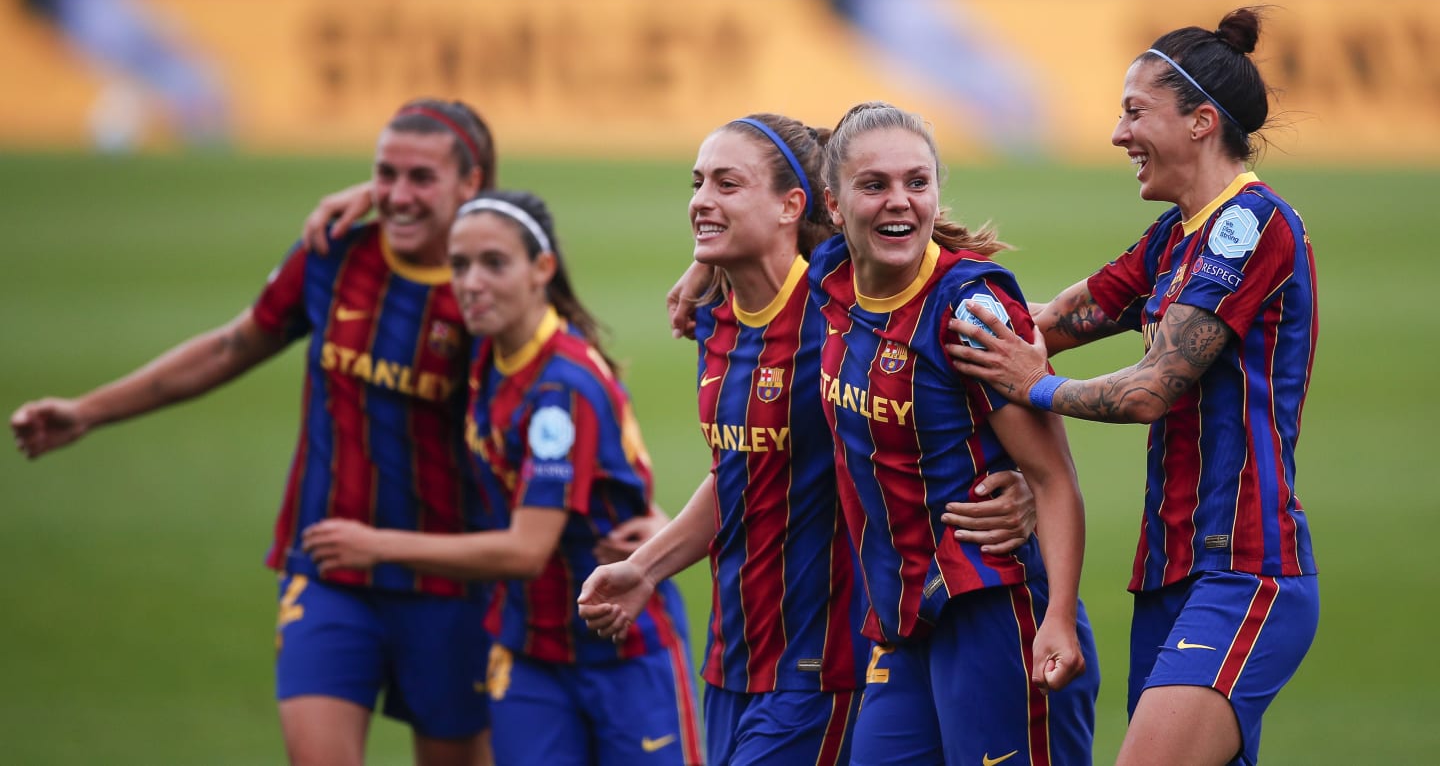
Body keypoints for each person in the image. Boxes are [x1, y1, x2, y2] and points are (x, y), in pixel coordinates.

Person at [11, 98, 498, 766]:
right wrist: (89, 410)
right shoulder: (334, 251)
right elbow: (231, 346)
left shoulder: (494, 290)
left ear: (471, 185)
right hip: (328, 567)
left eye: (421, 179)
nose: (397, 195)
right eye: (384, 175)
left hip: (449, 583)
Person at [577, 113, 1042, 765]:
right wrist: (645, 570)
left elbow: (961, 385)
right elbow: (740, 475)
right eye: (697, 183)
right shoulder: (715, 317)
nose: (702, 200)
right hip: (734, 658)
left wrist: (1025, 484)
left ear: (794, 204)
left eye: (727, 184)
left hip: (824, 662)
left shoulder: (837, 308)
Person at [946, 8, 1318, 766]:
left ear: (1201, 122)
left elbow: (1153, 388)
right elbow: (1043, 324)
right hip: (1169, 573)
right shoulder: (1173, 237)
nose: (1118, 135)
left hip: (1242, 569)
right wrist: (922, 295)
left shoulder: (1250, 226)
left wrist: (1038, 389)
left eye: (1134, 113)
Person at [301, 189, 703, 766]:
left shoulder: (559, 391)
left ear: (541, 269)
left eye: (494, 264)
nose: (471, 282)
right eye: (459, 265)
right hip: (528, 651)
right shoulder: (486, 352)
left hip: (621, 650)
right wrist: (377, 197)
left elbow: (525, 550)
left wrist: (373, 547)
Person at [807, 101, 1098, 765]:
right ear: (832, 202)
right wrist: (704, 265)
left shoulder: (968, 311)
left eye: (917, 182)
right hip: (906, 616)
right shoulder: (831, 275)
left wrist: (1057, 619)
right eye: (873, 185)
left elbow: (1053, 478)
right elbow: (761, 183)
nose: (898, 203)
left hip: (997, 609)